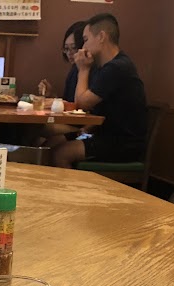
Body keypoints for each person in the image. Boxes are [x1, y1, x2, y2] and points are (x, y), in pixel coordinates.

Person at [52, 13, 148, 169]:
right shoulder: (110, 66)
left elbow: (82, 103)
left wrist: (83, 69)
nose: (83, 46)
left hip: (123, 143)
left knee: (60, 153)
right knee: (54, 144)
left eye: (85, 40)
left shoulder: (117, 67)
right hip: (106, 136)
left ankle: (73, 187)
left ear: (102, 37)